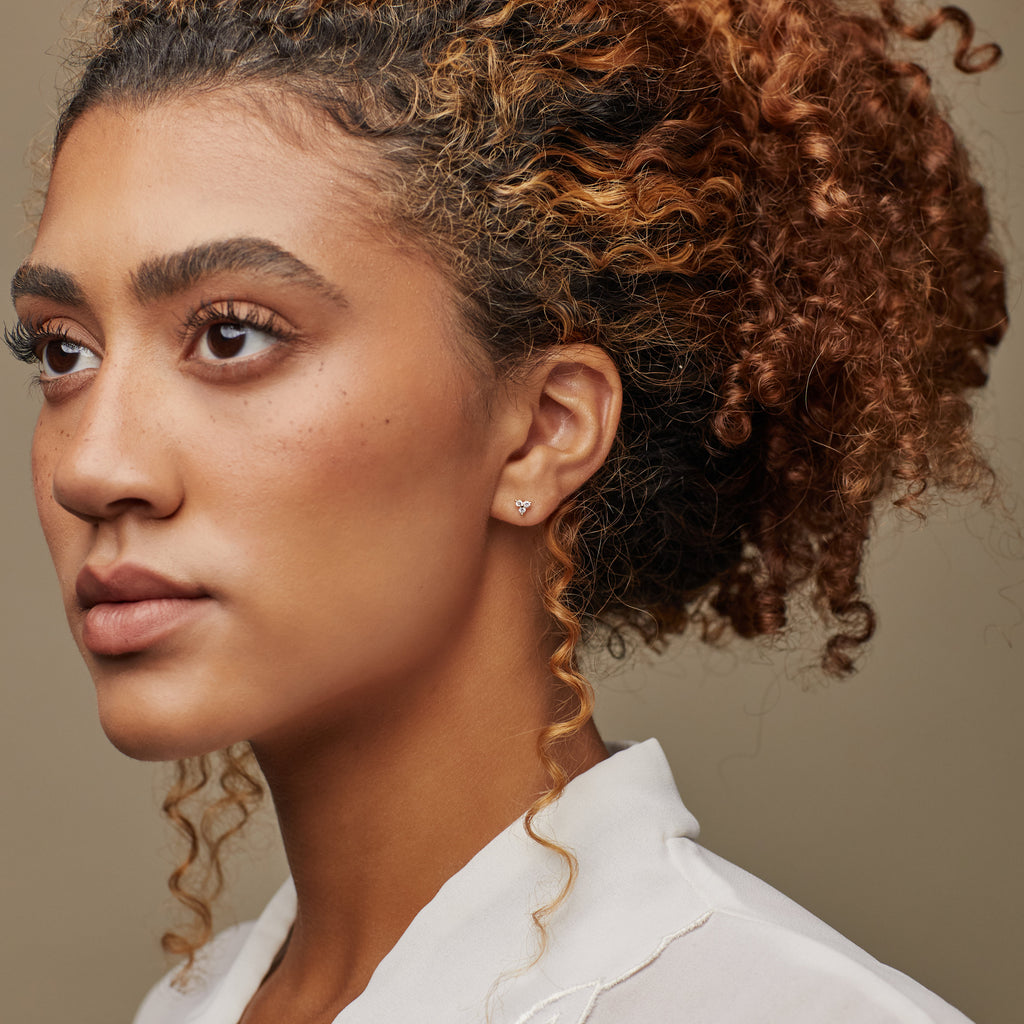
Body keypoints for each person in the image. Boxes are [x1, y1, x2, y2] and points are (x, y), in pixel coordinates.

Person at [4, 0, 1010, 1021]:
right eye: (61, 350)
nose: (92, 467)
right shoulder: (186, 1005)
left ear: (542, 429)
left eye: (230, 336)